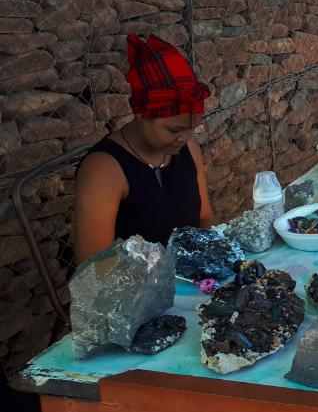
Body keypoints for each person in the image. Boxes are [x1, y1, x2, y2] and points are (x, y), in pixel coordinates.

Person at [74, 34, 215, 263]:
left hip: (191, 280)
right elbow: (95, 270)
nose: (185, 137)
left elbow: (205, 218)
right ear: (141, 114)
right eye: (173, 129)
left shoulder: (187, 148)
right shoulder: (104, 170)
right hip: (134, 293)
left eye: (192, 128)